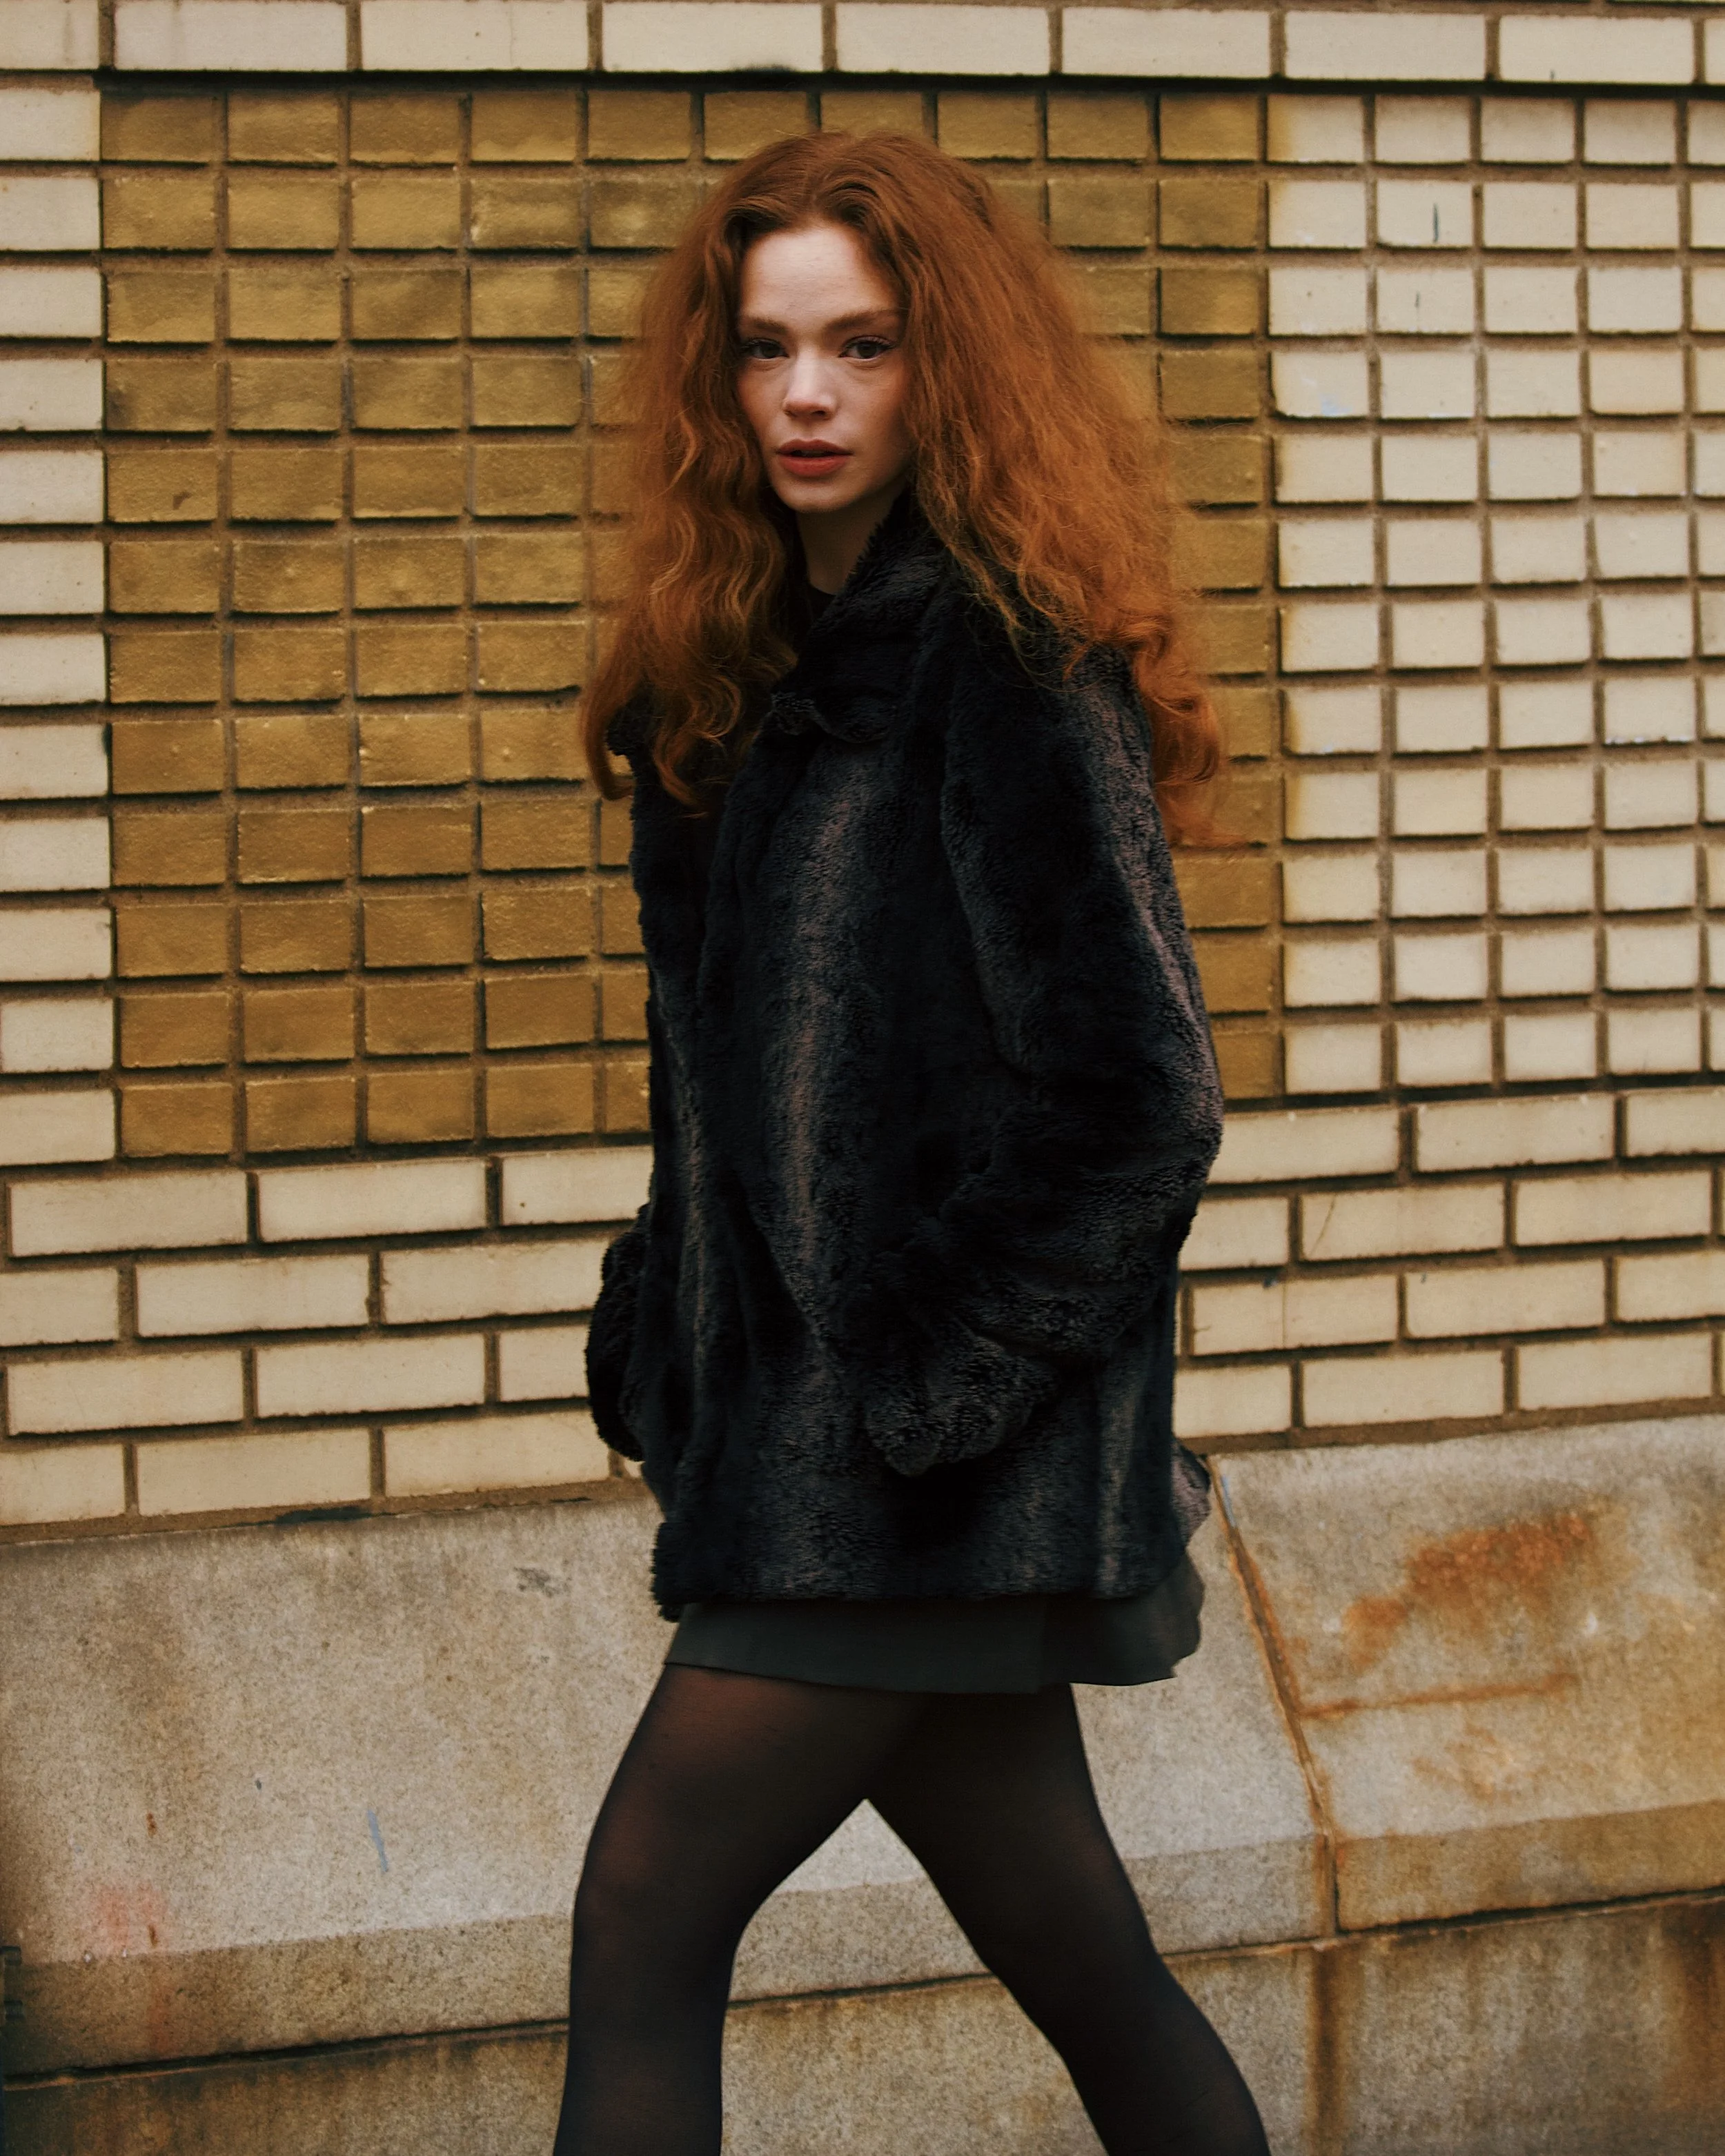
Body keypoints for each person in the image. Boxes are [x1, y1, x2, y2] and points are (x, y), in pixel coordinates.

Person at [557, 130, 1267, 2156]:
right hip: (834, 1454)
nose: (804, 395)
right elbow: (731, 1099)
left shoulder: (1005, 661)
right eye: (767, 348)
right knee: (1081, 1953)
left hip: (899, 1468)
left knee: (642, 1914)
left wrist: (916, 1386)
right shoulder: (739, 679)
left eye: (859, 348)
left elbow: (1141, 1095)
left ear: (936, 371)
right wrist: (663, 1324)